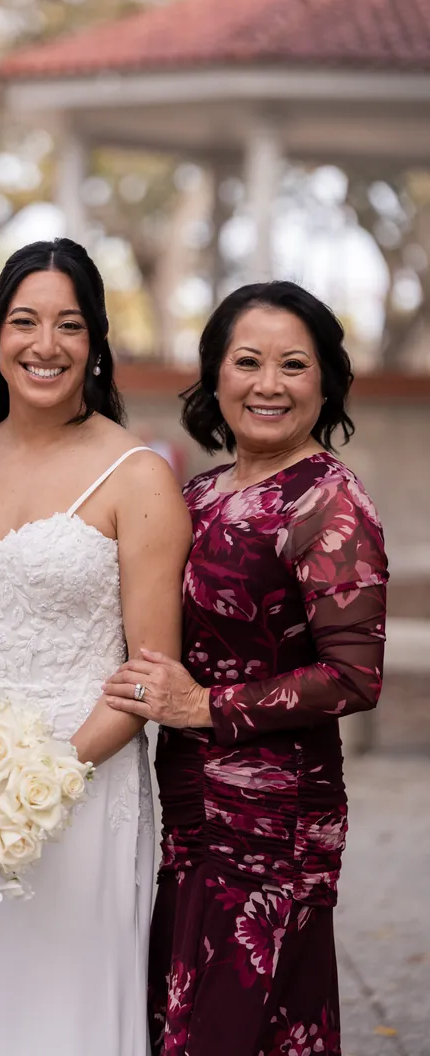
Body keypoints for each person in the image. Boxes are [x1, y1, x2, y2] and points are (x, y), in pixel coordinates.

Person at [0, 237, 191, 1056]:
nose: (45, 344)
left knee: (71, 1022)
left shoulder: (136, 477)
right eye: (24, 321)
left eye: (70, 325)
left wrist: (43, 780)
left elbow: (150, 678)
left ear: (96, 343)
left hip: (84, 789)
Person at [104, 281, 388, 1056]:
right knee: (188, 1017)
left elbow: (354, 676)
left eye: (293, 364)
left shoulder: (328, 502)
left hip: (276, 817)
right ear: (216, 374)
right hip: (193, 806)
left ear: (324, 381)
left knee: (245, 1029)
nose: (268, 383)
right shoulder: (195, 494)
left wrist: (206, 708)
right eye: (248, 361)